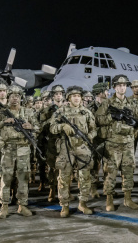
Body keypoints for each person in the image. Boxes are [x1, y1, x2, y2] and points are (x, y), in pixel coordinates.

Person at [96, 75, 138, 211]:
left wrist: (134, 127)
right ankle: (109, 199)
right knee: (110, 172)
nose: (122, 87)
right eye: (119, 85)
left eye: (124, 85)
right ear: (114, 87)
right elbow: (98, 119)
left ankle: (127, 198)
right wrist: (111, 117)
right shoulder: (107, 103)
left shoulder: (131, 104)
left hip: (128, 144)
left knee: (128, 171)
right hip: (113, 143)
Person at [50, 86, 97, 217]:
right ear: (69, 98)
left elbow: (94, 129)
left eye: (78, 96)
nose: (76, 98)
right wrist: (62, 126)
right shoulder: (60, 112)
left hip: (82, 147)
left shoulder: (86, 112)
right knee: (64, 178)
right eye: (73, 96)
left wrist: (89, 137)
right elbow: (52, 128)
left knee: (85, 177)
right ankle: (64, 206)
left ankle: (83, 203)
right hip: (66, 148)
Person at [0, 85, 39, 219]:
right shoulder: (1, 113)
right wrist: (4, 122)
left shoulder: (29, 112)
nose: (15, 99)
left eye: (18, 96)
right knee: (6, 179)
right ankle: (4, 206)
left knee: (23, 179)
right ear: (8, 98)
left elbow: (38, 128)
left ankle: (23, 205)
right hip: (8, 148)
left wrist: (31, 127)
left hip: (23, 149)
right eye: (12, 96)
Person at [39, 85, 65, 202]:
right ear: (53, 96)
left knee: (65, 167)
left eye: (60, 93)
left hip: (65, 141)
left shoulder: (67, 108)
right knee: (52, 167)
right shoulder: (46, 111)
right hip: (52, 141)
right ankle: (52, 189)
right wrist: (52, 119)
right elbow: (41, 126)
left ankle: (64, 191)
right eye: (56, 94)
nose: (58, 95)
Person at [87, 82, 109, 198]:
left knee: (108, 165)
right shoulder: (89, 108)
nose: (108, 93)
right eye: (105, 91)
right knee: (94, 165)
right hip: (95, 140)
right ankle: (93, 188)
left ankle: (107, 187)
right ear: (100, 93)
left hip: (108, 139)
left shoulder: (109, 106)